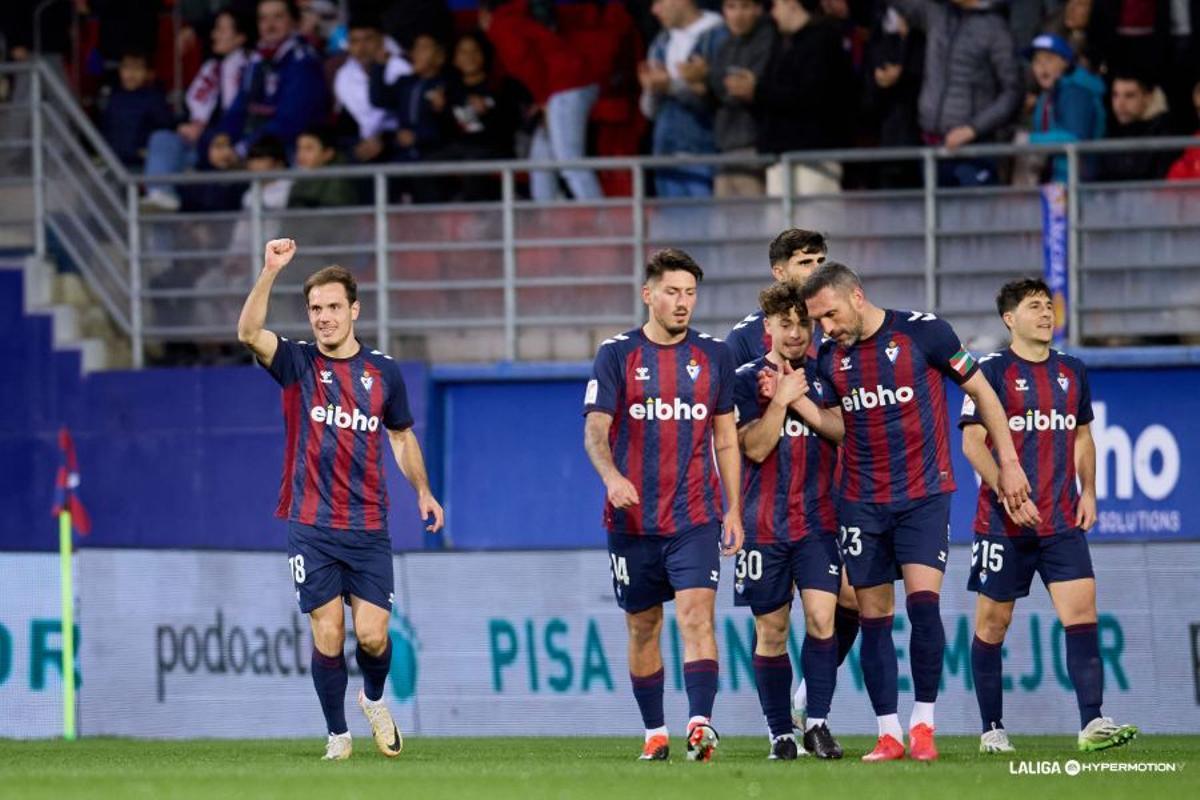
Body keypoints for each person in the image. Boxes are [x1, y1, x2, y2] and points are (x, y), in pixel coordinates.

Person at [799, 262, 1034, 761]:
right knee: (874, 617)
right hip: (860, 501)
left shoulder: (925, 333)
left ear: (857, 296)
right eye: (818, 320)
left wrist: (1009, 462)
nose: (827, 328)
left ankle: (923, 723)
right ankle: (888, 732)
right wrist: (795, 406)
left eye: (831, 315)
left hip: (924, 495)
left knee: (924, 606)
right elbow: (837, 425)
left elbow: (983, 393)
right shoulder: (828, 358)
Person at [236, 239, 445, 760]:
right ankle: (337, 735)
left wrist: (423, 490)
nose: (324, 318)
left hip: (369, 525)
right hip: (310, 524)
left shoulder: (383, 373)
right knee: (327, 633)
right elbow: (246, 333)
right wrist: (269, 271)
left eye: (333, 307)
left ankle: (373, 699)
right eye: (315, 309)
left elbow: (400, 436)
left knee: (373, 638)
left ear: (354, 310)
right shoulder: (297, 363)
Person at [961, 278, 1138, 754]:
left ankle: (1092, 722)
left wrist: (1091, 492)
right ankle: (992, 729)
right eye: (1034, 307)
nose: (1045, 314)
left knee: (1082, 614)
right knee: (992, 625)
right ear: (1009, 319)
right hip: (1002, 525)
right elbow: (972, 442)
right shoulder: (990, 371)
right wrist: (1005, 488)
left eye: (1048, 306)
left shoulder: (1072, 371)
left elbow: (1082, 436)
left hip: (1061, 521)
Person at [583, 248, 744, 762]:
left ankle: (700, 725)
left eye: (690, 293)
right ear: (647, 294)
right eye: (672, 292)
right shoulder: (617, 354)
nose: (682, 303)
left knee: (697, 617)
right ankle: (655, 731)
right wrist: (611, 477)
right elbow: (595, 429)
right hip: (632, 521)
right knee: (643, 625)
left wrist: (734, 509)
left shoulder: (715, 356)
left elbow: (725, 439)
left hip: (695, 516)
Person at [732, 282, 845, 759]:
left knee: (823, 619)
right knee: (772, 632)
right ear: (768, 328)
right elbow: (753, 447)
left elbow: (840, 429)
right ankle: (780, 732)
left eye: (803, 323)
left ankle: (816, 723)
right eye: (786, 324)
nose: (796, 333)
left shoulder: (826, 376)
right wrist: (779, 400)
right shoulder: (742, 379)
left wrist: (799, 400)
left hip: (818, 523)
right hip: (763, 527)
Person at [891, 0, 1021, 187]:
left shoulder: (995, 29)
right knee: (935, 215)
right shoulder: (936, 14)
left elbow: (1013, 92)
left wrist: (973, 129)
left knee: (975, 215)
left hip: (974, 151)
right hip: (931, 146)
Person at [142, 8, 253, 211]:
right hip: (199, 143)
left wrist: (208, 136)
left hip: (227, 146)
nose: (214, 35)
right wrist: (184, 126)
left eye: (221, 30)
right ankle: (160, 195)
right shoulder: (212, 66)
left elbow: (238, 118)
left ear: (240, 37)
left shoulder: (249, 69)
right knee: (162, 138)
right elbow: (195, 108)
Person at [681, 0, 775, 197]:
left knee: (757, 224)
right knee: (724, 224)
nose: (738, 15)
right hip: (724, 150)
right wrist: (700, 87)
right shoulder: (725, 46)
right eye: (731, 7)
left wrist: (708, 77)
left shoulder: (769, 40)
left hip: (754, 150)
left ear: (759, 9)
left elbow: (740, 92)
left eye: (745, 6)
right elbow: (717, 98)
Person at [638, 0, 728, 197]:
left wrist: (671, 86)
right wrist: (652, 89)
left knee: (706, 224)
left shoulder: (718, 37)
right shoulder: (661, 42)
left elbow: (719, 100)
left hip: (704, 152)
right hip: (664, 155)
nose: (654, 10)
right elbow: (649, 110)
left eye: (659, 2)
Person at [219, 0, 328, 159]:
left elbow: (290, 121)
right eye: (263, 19)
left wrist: (243, 148)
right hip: (256, 147)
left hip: (289, 151)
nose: (269, 26)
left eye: (278, 17)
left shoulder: (303, 61)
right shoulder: (256, 59)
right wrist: (223, 141)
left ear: (294, 21)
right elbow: (239, 106)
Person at [725, 229, 827, 366]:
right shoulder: (745, 336)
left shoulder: (840, 321)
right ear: (780, 273)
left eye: (820, 261)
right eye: (805, 262)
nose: (818, 271)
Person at [1024, 33, 1106, 183]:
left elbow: (1074, 137)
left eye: (1049, 59)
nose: (1042, 66)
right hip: (1055, 180)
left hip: (1075, 183)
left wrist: (1029, 140)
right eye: (1036, 61)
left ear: (1065, 63)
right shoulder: (1048, 93)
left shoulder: (1076, 91)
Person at [333, 14, 412, 164]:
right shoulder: (343, 76)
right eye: (354, 41)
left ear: (382, 41)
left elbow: (405, 120)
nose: (361, 48)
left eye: (368, 39)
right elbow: (346, 125)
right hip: (364, 147)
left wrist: (383, 140)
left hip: (397, 146)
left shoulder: (401, 69)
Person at [1095, 74, 1178, 181]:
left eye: (1129, 96)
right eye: (1115, 95)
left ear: (1148, 98)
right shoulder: (1111, 131)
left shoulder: (1165, 135)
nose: (1120, 104)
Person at [101, 50, 174, 169]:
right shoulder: (111, 98)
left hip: (143, 165)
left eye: (137, 68)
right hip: (113, 164)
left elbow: (165, 128)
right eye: (126, 67)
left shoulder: (155, 98)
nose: (131, 73)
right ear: (120, 71)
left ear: (148, 73)